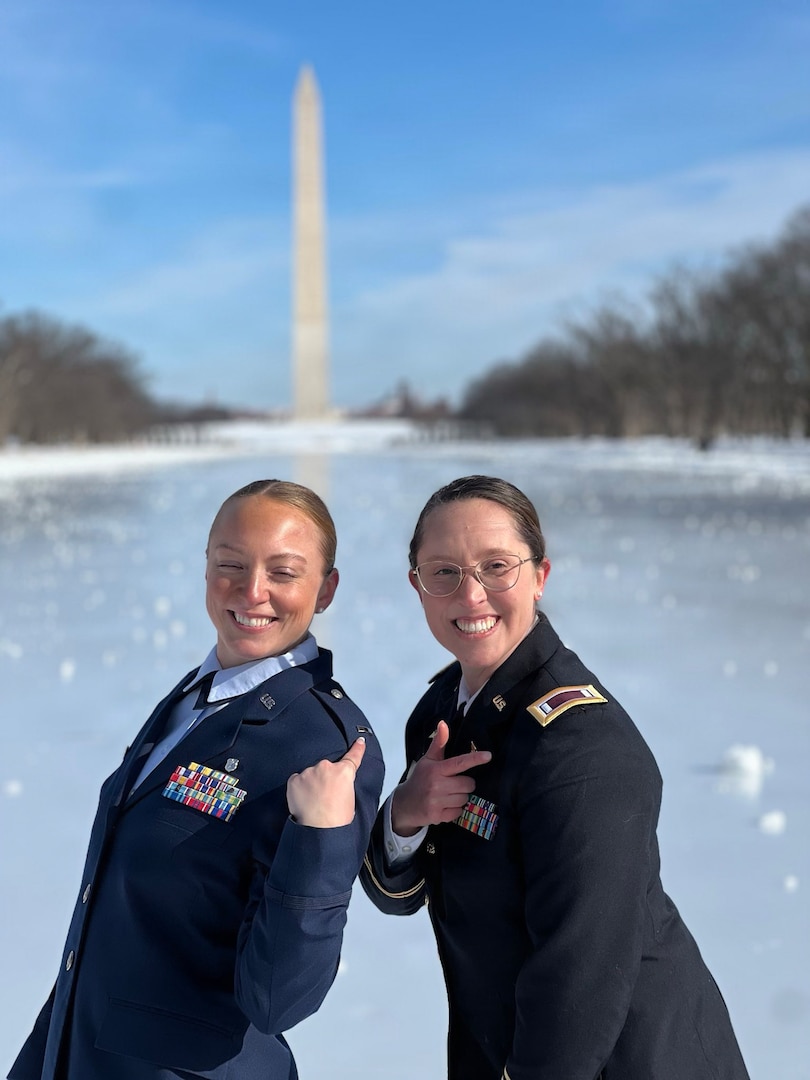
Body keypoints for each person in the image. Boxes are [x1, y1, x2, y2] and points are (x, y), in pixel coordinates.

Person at [361, 474, 749, 1080]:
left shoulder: (581, 748)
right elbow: (400, 893)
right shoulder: (440, 713)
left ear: (540, 577)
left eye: (496, 567)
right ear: (417, 585)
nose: (471, 595)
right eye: (444, 572)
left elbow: (581, 979)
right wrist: (405, 816)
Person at [10, 479, 384, 1080]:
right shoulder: (196, 698)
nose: (252, 590)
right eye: (230, 564)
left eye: (284, 573)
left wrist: (321, 836)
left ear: (327, 589)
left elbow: (279, 998)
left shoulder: (322, 742)